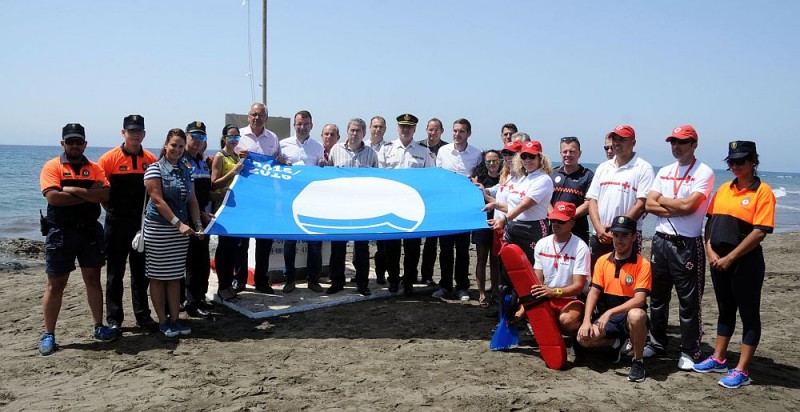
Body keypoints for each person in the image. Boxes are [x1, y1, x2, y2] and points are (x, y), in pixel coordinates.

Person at [692, 140, 775, 389]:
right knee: (725, 309)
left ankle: (742, 369)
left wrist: (731, 257)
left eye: (741, 161)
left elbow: (760, 232)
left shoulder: (763, 192)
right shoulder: (724, 189)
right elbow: (710, 223)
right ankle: (719, 358)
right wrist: (710, 250)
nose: (735, 166)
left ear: (753, 162)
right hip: (718, 261)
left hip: (745, 262)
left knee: (749, 314)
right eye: (731, 162)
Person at [38, 123, 117, 355]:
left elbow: (105, 195)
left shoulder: (94, 167)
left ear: (85, 143)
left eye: (78, 141)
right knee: (56, 285)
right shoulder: (52, 166)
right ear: (63, 143)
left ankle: (99, 327)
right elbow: (54, 198)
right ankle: (49, 334)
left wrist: (72, 189)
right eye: (70, 141)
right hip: (60, 232)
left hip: (90, 231)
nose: (74, 146)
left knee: (93, 280)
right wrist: (88, 194)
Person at [644, 125, 715, 368]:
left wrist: (663, 201)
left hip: (687, 243)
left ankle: (690, 350)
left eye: (682, 142)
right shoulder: (664, 171)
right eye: (673, 142)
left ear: (694, 145)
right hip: (660, 240)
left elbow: (690, 207)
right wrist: (675, 204)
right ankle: (656, 342)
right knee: (657, 297)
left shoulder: (704, 172)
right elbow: (648, 206)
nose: (676, 146)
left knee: (689, 300)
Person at [98, 115, 158, 332]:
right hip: (115, 224)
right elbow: (100, 191)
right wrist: (112, 211)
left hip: (141, 225)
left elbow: (155, 192)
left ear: (144, 134)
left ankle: (142, 315)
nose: (135, 135)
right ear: (123, 133)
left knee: (141, 273)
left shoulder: (150, 159)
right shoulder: (108, 159)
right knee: (114, 273)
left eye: (138, 131)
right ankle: (114, 318)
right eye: (131, 131)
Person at [577, 215, 652, 383]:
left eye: (624, 235)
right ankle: (616, 343)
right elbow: (594, 292)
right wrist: (586, 321)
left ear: (634, 237)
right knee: (583, 339)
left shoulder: (643, 264)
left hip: (627, 317)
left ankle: (638, 361)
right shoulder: (603, 261)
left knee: (637, 315)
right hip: (608, 319)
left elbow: (639, 299)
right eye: (616, 235)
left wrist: (610, 312)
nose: (619, 240)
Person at [144, 128, 203, 337]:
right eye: (173, 145)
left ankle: (176, 319)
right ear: (165, 145)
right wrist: (178, 223)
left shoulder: (186, 170)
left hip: (181, 233)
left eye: (180, 146)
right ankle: (162, 321)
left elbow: (193, 200)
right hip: (159, 230)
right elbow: (157, 200)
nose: (177, 150)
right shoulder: (154, 169)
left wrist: (198, 224)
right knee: (159, 277)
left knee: (175, 276)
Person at [377, 113, 435, 295]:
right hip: (392, 206)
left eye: (409, 127)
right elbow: (380, 177)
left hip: (413, 207)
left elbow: (430, 178)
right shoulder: (386, 149)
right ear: (398, 128)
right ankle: (393, 279)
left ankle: (408, 280)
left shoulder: (423, 151)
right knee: (391, 247)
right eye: (403, 126)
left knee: (412, 248)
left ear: (415, 129)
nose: (406, 129)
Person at [586, 125, 654, 271]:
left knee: (625, 280)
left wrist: (617, 229)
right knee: (598, 280)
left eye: (622, 139)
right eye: (615, 139)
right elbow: (592, 200)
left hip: (627, 235)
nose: (617, 142)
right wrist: (598, 228)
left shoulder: (643, 168)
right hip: (600, 235)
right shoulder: (603, 167)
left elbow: (641, 204)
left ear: (633, 142)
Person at [516, 201, 589, 334]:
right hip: (547, 295)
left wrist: (554, 292)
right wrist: (523, 308)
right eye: (553, 220)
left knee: (567, 321)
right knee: (527, 313)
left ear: (572, 223)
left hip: (571, 298)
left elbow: (578, 287)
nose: (555, 224)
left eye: (561, 221)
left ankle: (577, 330)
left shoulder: (581, 247)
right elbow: (536, 281)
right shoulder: (542, 243)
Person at [326, 118, 379, 296]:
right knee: (338, 247)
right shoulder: (336, 150)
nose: (354, 133)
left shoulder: (371, 154)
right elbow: (328, 176)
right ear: (347, 132)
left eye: (358, 131)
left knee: (362, 249)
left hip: (362, 208)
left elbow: (376, 181)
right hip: (339, 207)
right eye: (352, 130)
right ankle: (337, 282)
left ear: (364, 133)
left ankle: (363, 284)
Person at [235, 102, 284, 294]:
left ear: (266, 118)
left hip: (266, 197)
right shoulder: (238, 135)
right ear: (248, 116)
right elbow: (228, 156)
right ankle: (238, 280)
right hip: (244, 196)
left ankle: (261, 280)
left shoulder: (273, 138)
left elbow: (279, 162)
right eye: (253, 114)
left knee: (264, 242)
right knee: (241, 242)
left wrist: (281, 161)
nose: (257, 118)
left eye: (261, 115)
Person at [432, 118, 483, 301]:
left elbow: (478, 179)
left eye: (461, 131)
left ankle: (462, 287)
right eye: (455, 131)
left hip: (464, 209)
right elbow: (438, 178)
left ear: (468, 133)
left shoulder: (477, 154)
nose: (457, 134)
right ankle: (445, 285)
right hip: (446, 208)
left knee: (462, 249)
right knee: (445, 249)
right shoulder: (443, 152)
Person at [279, 110, 324, 293]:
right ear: (294, 125)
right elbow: (275, 168)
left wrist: (323, 164)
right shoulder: (282, 145)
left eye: (306, 124)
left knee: (314, 243)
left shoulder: (318, 147)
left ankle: (313, 279)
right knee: (290, 243)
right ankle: (289, 279)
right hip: (289, 200)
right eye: (299, 123)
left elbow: (322, 170)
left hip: (311, 202)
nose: (302, 127)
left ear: (311, 126)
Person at [488, 140, 554, 264]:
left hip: (531, 229)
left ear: (540, 158)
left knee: (529, 266)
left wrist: (504, 219)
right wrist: (495, 205)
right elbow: (513, 206)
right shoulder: (524, 178)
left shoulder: (543, 179)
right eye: (524, 156)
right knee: (510, 265)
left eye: (531, 156)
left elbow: (525, 205)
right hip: (513, 227)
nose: (527, 160)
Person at [210, 124, 246, 301]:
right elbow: (214, 183)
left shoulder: (237, 156)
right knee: (224, 249)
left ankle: (229, 284)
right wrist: (233, 171)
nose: (233, 140)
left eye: (236, 137)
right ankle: (222, 286)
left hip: (237, 209)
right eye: (231, 136)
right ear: (224, 138)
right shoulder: (220, 156)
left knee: (234, 249)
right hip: (223, 208)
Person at [182, 121, 214, 318]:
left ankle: (199, 298)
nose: (197, 140)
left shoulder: (203, 161)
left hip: (205, 218)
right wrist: (199, 214)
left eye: (201, 137)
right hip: (189, 219)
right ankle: (191, 303)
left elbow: (206, 191)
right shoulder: (182, 160)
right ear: (186, 137)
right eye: (194, 136)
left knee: (202, 262)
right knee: (191, 263)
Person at [419, 118, 450, 286]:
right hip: (423, 199)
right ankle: (424, 275)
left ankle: (430, 276)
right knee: (424, 242)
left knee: (437, 241)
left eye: (436, 129)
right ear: (426, 130)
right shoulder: (418, 146)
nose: (433, 132)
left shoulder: (447, 149)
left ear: (442, 131)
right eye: (430, 129)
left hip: (441, 200)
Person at [471, 150, 502, 307]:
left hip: (499, 222)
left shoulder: (505, 178)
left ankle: (495, 292)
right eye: (488, 161)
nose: (491, 164)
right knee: (481, 259)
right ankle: (482, 294)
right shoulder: (479, 178)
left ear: (500, 161)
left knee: (495, 260)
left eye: (495, 161)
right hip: (482, 223)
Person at [551, 136, 594, 244]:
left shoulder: (588, 175)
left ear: (579, 153)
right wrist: (555, 217)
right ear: (560, 153)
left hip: (578, 228)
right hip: (553, 227)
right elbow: (545, 199)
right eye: (565, 151)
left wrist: (566, 218)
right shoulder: (552, 173)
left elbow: (589, 203)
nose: (568, 155)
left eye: (572, 151)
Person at [368, 116, 389, 285]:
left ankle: (381, 272)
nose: (378, 129)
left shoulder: (389, 148)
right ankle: (358, 269)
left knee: (382, 242)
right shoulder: (362, 145)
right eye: (375, 126)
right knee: (360, 238)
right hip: (365, 198)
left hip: (383, 199)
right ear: (370, 127)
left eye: (381, 127)